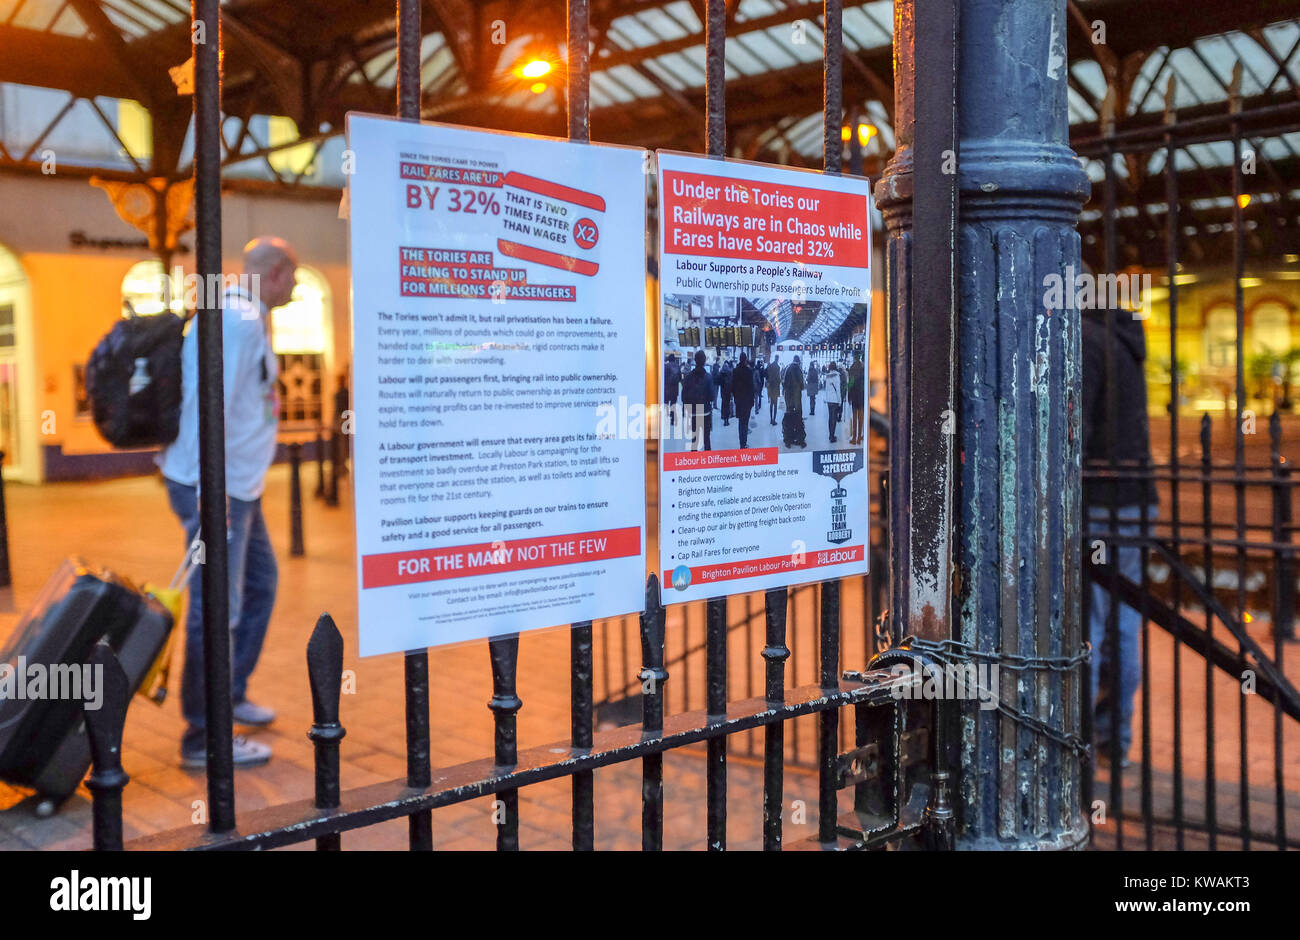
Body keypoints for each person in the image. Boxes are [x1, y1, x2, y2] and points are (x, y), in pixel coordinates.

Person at [159, 235, 299, 770]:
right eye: (294, 276)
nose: (294, 287)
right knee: (218, 605)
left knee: (259, 584)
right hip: (215, 489)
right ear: (278, 272)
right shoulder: (238, 321)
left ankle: (232, 692)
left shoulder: (248, 315)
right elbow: (207, 404)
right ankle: (204, 734)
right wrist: (208, 493)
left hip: (239, 487)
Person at [1082, 304, 1159, 768]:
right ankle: (1117, 738)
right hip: (1137, 501)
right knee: (1124, 625)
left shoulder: (1088, 342)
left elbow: (1078, 432)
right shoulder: (1126, 343)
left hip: (1099, 504)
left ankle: (1081, 746)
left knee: (1087, 628)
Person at [680, 349, 714, 451]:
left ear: (695, 361)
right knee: (706, 439)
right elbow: (712, 396)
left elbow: (683, 397)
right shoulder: (708, 377)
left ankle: (694, 463)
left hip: (693, 413)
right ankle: (708, 462)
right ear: (704, 361)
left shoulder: (688, 377)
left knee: (694, 440)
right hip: (705, 413)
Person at [782, 354, 806, 447]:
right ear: (798, 361)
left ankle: (788, 439)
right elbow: (802, 384)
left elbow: (783, 382)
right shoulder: (798, 369)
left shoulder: (787, 368)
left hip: (788, 397)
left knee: (789, 417)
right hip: (796, 398)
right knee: (798, 417)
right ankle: (800, 438)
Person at [731, 353, 755, 449]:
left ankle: (741, 443)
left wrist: (735, 397)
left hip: (739, 400)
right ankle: (744, 442)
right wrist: (752, 400)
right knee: (746, 421)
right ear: (745, 360)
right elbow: (751, 387)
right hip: (747, 400)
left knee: (740, 422)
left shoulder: (735, 371)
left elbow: (733, 386)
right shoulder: (749, 371)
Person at [847, 349, 865, 445]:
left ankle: (854, 437)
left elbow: (851, 383)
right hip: (862, 394)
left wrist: (848, 394)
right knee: (861, 416)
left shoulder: (853, 367)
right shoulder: (863, 367)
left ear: (854, 357)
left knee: (854, 416)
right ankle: (859, 437)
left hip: (854, 394)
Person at [822, 361, 842, 444]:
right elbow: (838, 389)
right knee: (834, 418)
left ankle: (830, 435)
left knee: (830, 418)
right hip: (835, 400)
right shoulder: (837, 376)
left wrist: (825, 398)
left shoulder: (828, 376)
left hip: (829, 400)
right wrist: (839, 400)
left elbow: (826, 389)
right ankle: (832, 436)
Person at [663, 353, 681, 428]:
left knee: (666, 404)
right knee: (673, 404)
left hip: (667, 389)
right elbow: (680, 378)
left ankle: (665, 419)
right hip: (675, 389)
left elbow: (663, 377)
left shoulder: (666, 366)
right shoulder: (678, 366)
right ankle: (672, 419)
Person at [718, 357, 734, 426]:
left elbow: (719, 382)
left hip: (722, 390)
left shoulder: (721, 372)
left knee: (723, 404)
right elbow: (732, 382)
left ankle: (723, 416)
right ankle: (727, 419)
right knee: (727, 404)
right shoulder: (729, 372)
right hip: (728, 390)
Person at [766, 356, 782, 425]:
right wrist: (780, 381)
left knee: (771, 404)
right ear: (777, 359)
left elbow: (767, 375)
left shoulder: (770, 366)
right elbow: (778, 378)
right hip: (775, 387)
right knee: (775, 404)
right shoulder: (777, 367)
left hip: (770, 387)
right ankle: (774, 420)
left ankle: (770, 419)